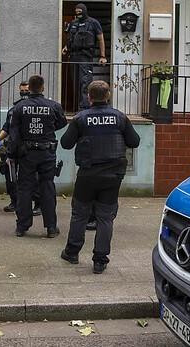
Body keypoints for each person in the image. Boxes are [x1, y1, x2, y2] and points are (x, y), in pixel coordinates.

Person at [59, 80, 140, 274]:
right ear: (108, 95)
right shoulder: (120, 117)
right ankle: (100, 260)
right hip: (112, 176)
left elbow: (65, 143)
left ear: (89, 97)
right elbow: (134, 141)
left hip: (87, 175)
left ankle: (72, 252)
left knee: (79, 215)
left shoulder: (81, 118)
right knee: (105, 218)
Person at [7, 74, 67, 238]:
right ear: (43, 88)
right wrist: (47, 128)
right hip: (46, 152)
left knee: (24, 189)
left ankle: (22, 226)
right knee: (47, 187)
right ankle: (51, 227)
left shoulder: (20, 107)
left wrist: (10, 154)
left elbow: (14, 134)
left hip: (26, 154)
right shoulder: (53, 106)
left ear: (30, 89)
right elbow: (62, 123)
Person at [0, 81, 41, 216]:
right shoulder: (14, 109)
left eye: (27, 90)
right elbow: (7, 127)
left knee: (34, 177)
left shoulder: (36, 108)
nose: (24, 93)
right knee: (10, 175)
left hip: (29, 148)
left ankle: (38, 204)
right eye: (22, 91)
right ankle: (14, 202)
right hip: (14, 147)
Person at [62, 3, 106, 110]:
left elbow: (100, 39)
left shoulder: (93, 22)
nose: (78, 14)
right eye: (76, 12)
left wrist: (103, 56)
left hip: (85, 56)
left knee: (85, 81)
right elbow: (72, 37)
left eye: (80, 12)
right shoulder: (74, 23)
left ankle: (85, 108)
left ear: (84, 11)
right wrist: (66, 47)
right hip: (73, 56)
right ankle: (77, 107)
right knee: (75, 82)